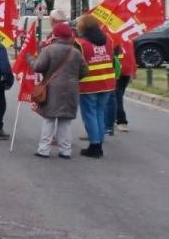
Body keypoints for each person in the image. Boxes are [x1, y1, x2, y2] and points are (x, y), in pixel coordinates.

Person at [30, 22, 88, 158]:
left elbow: (38, 67)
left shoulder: (49, 50)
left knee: (49, 119)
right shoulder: (76, 52)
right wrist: (73, 78)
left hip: (52, 89)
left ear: (55, 35)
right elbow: (85, 71)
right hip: (72, 88)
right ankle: (65, 150)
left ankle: (43, 150)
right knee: (65, 121)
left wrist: (30, 59)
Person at [75, 14, 116, 158]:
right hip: (107, 82)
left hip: (89, 84)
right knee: (99, 112)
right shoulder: (108, 40)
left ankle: (95, 146)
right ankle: (99, 142)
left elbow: (76, 64)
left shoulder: (80, 43)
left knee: (89, 115)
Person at [115, 37, 135, 132]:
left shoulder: (114, 39)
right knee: (118, 96)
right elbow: (132, 56)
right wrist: (133, 71)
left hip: (118, 72)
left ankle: (121, 121)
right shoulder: (129, 39)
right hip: (126, 71)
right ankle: (116, 118)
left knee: (117, 97)